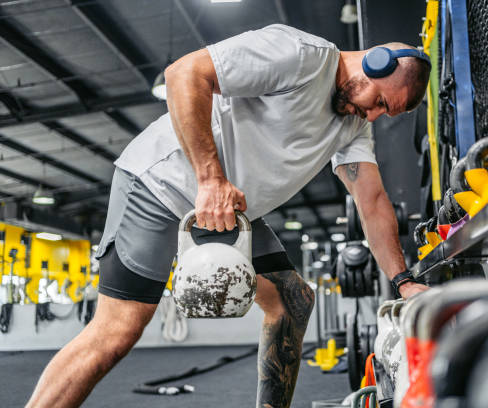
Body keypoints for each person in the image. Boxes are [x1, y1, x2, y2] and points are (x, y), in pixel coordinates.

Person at [26, 24, 430, 408]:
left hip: (226, 211)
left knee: (293, 301)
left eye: (384, 113)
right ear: (378, 62)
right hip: (160, 184)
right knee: (118, 330)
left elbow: (372, 201)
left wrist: (403, 281)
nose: (374, 115)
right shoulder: (300, 56)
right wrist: (211, 179)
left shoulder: (351, 127)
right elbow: (185, 73)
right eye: (379, 101)